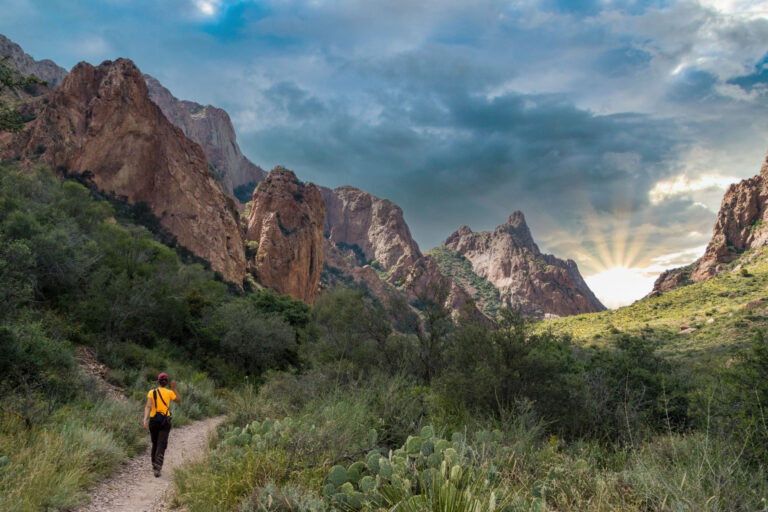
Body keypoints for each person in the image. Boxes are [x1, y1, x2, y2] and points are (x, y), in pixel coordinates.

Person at [142, 372, 181, 477]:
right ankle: (157, 468)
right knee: (161, 444)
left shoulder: (152, 392)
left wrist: (145, 419)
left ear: (158, 381)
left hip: (153, 421)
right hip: (165, 421)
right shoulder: (169, 392)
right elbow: (178, 400)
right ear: (167, 383)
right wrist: (174, 388)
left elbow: (148, 406)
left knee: (155, 443)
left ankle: (154, 465)